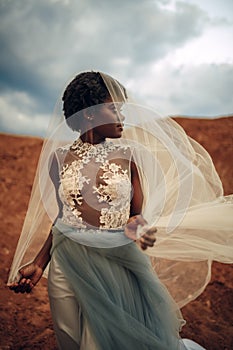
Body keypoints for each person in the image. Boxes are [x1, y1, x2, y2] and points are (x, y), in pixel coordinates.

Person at [8, 71, 232, 349]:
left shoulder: (129, 155)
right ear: (89, 113)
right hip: (66, 262)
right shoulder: (59, 159)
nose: (123, 117)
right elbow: (63, 215)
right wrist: (40, 263)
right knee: (70, 337)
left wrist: (142, 230)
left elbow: (136, 215)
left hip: (114, 261)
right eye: (114, 109)